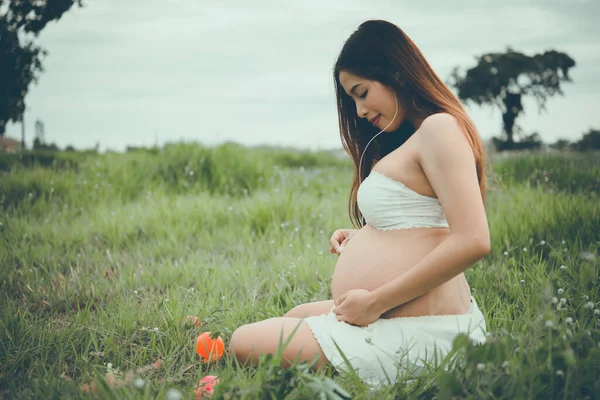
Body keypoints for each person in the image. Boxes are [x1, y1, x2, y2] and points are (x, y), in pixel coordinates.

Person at [228, 19, 490, 387]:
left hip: (420, 327)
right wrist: (367, 235)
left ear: (395, 72)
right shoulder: (414, 139)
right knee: (295, 315)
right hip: (396, 314)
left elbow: (473, 240)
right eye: (352, 99)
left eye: (362, 92)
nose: (360, 111)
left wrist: (376, 302)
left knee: (245, 341)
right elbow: (423, 220)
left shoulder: (439, 129)